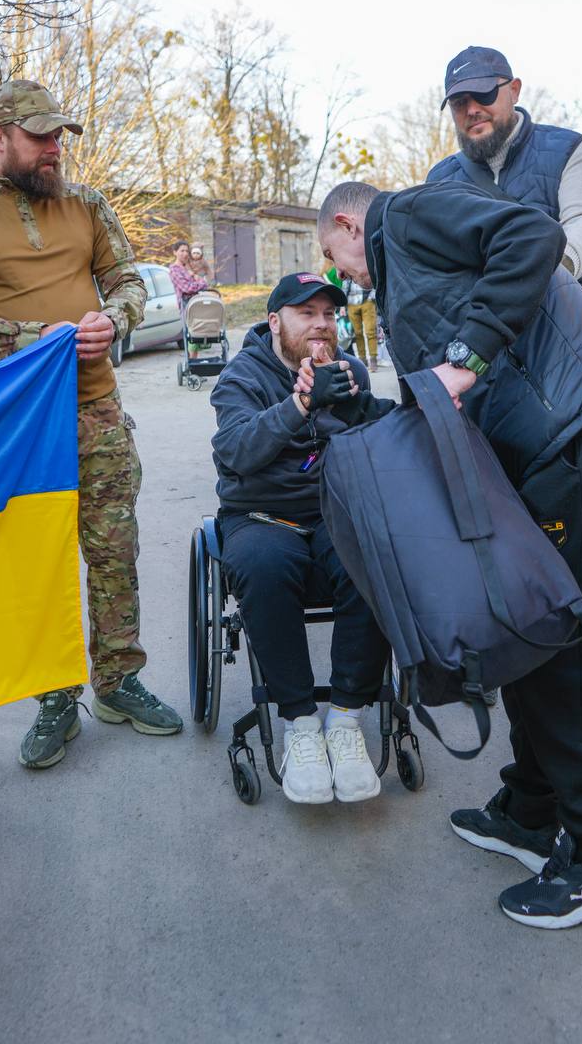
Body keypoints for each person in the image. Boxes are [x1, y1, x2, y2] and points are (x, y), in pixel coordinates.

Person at [317, 179, 582, 929]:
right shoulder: (407, 268)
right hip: (561, 437)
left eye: (333, 255)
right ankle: (531, 810)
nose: (343, 274)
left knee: (562, 636)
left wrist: (467, 355)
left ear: (346, 222)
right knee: (523, 622)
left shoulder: (404, 214)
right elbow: (435, 406)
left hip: (578, 427)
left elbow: (533, 238)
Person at [0, 79, 182, 770]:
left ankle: (119, 682)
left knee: (112, 549)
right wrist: (27, 340)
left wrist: (113, 321)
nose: (53, 149)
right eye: (38, 137)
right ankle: (54, 695)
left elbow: (127, 281)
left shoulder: (85, 203)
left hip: (93, 406)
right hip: (8, 422)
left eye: (58, 136)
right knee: (32, 563)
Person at [210, 272, 395, 804]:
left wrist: (375, 410)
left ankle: (344, 719)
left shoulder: (348, 369)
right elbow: (237, 451)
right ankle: (299, 725)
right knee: (263, 567)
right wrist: (300, 406)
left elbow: (380, 441)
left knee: (378, 554)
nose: (322, 324)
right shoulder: (242, 376)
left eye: (329, 314)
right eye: (306, 313)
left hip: (336, 511)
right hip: (262, 515)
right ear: (275, 322)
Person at [428, 46, 582, 293]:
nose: (472, 109)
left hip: (560, 318)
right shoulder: (439, 180)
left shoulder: (570, 150)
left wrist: (539, 278)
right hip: (473, 325)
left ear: (514, 90)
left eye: (484, 94)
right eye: (459, 102)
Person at [340, 277, 378, 370]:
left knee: (370, 331)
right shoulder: (347, 265)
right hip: (351, 303)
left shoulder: (363, 263)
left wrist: (372, 296)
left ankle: (373, 359)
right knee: (357, 333)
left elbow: (373, 279)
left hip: (367, 301)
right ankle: (362, 360)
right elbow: (345, 285)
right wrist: (342, 305)